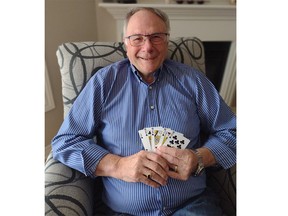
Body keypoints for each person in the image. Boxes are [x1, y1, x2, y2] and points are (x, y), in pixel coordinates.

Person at [52, 7, 236, 216]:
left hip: (191, 205)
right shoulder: (103, 84)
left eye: (156, 37)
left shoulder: (193, 82)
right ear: (125, 43)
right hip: (123, 211)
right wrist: (118, 166)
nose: (147, 47)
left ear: (167, 40)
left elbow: (233, 132)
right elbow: (65, 141)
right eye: (137, 38)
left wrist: (199, 158)